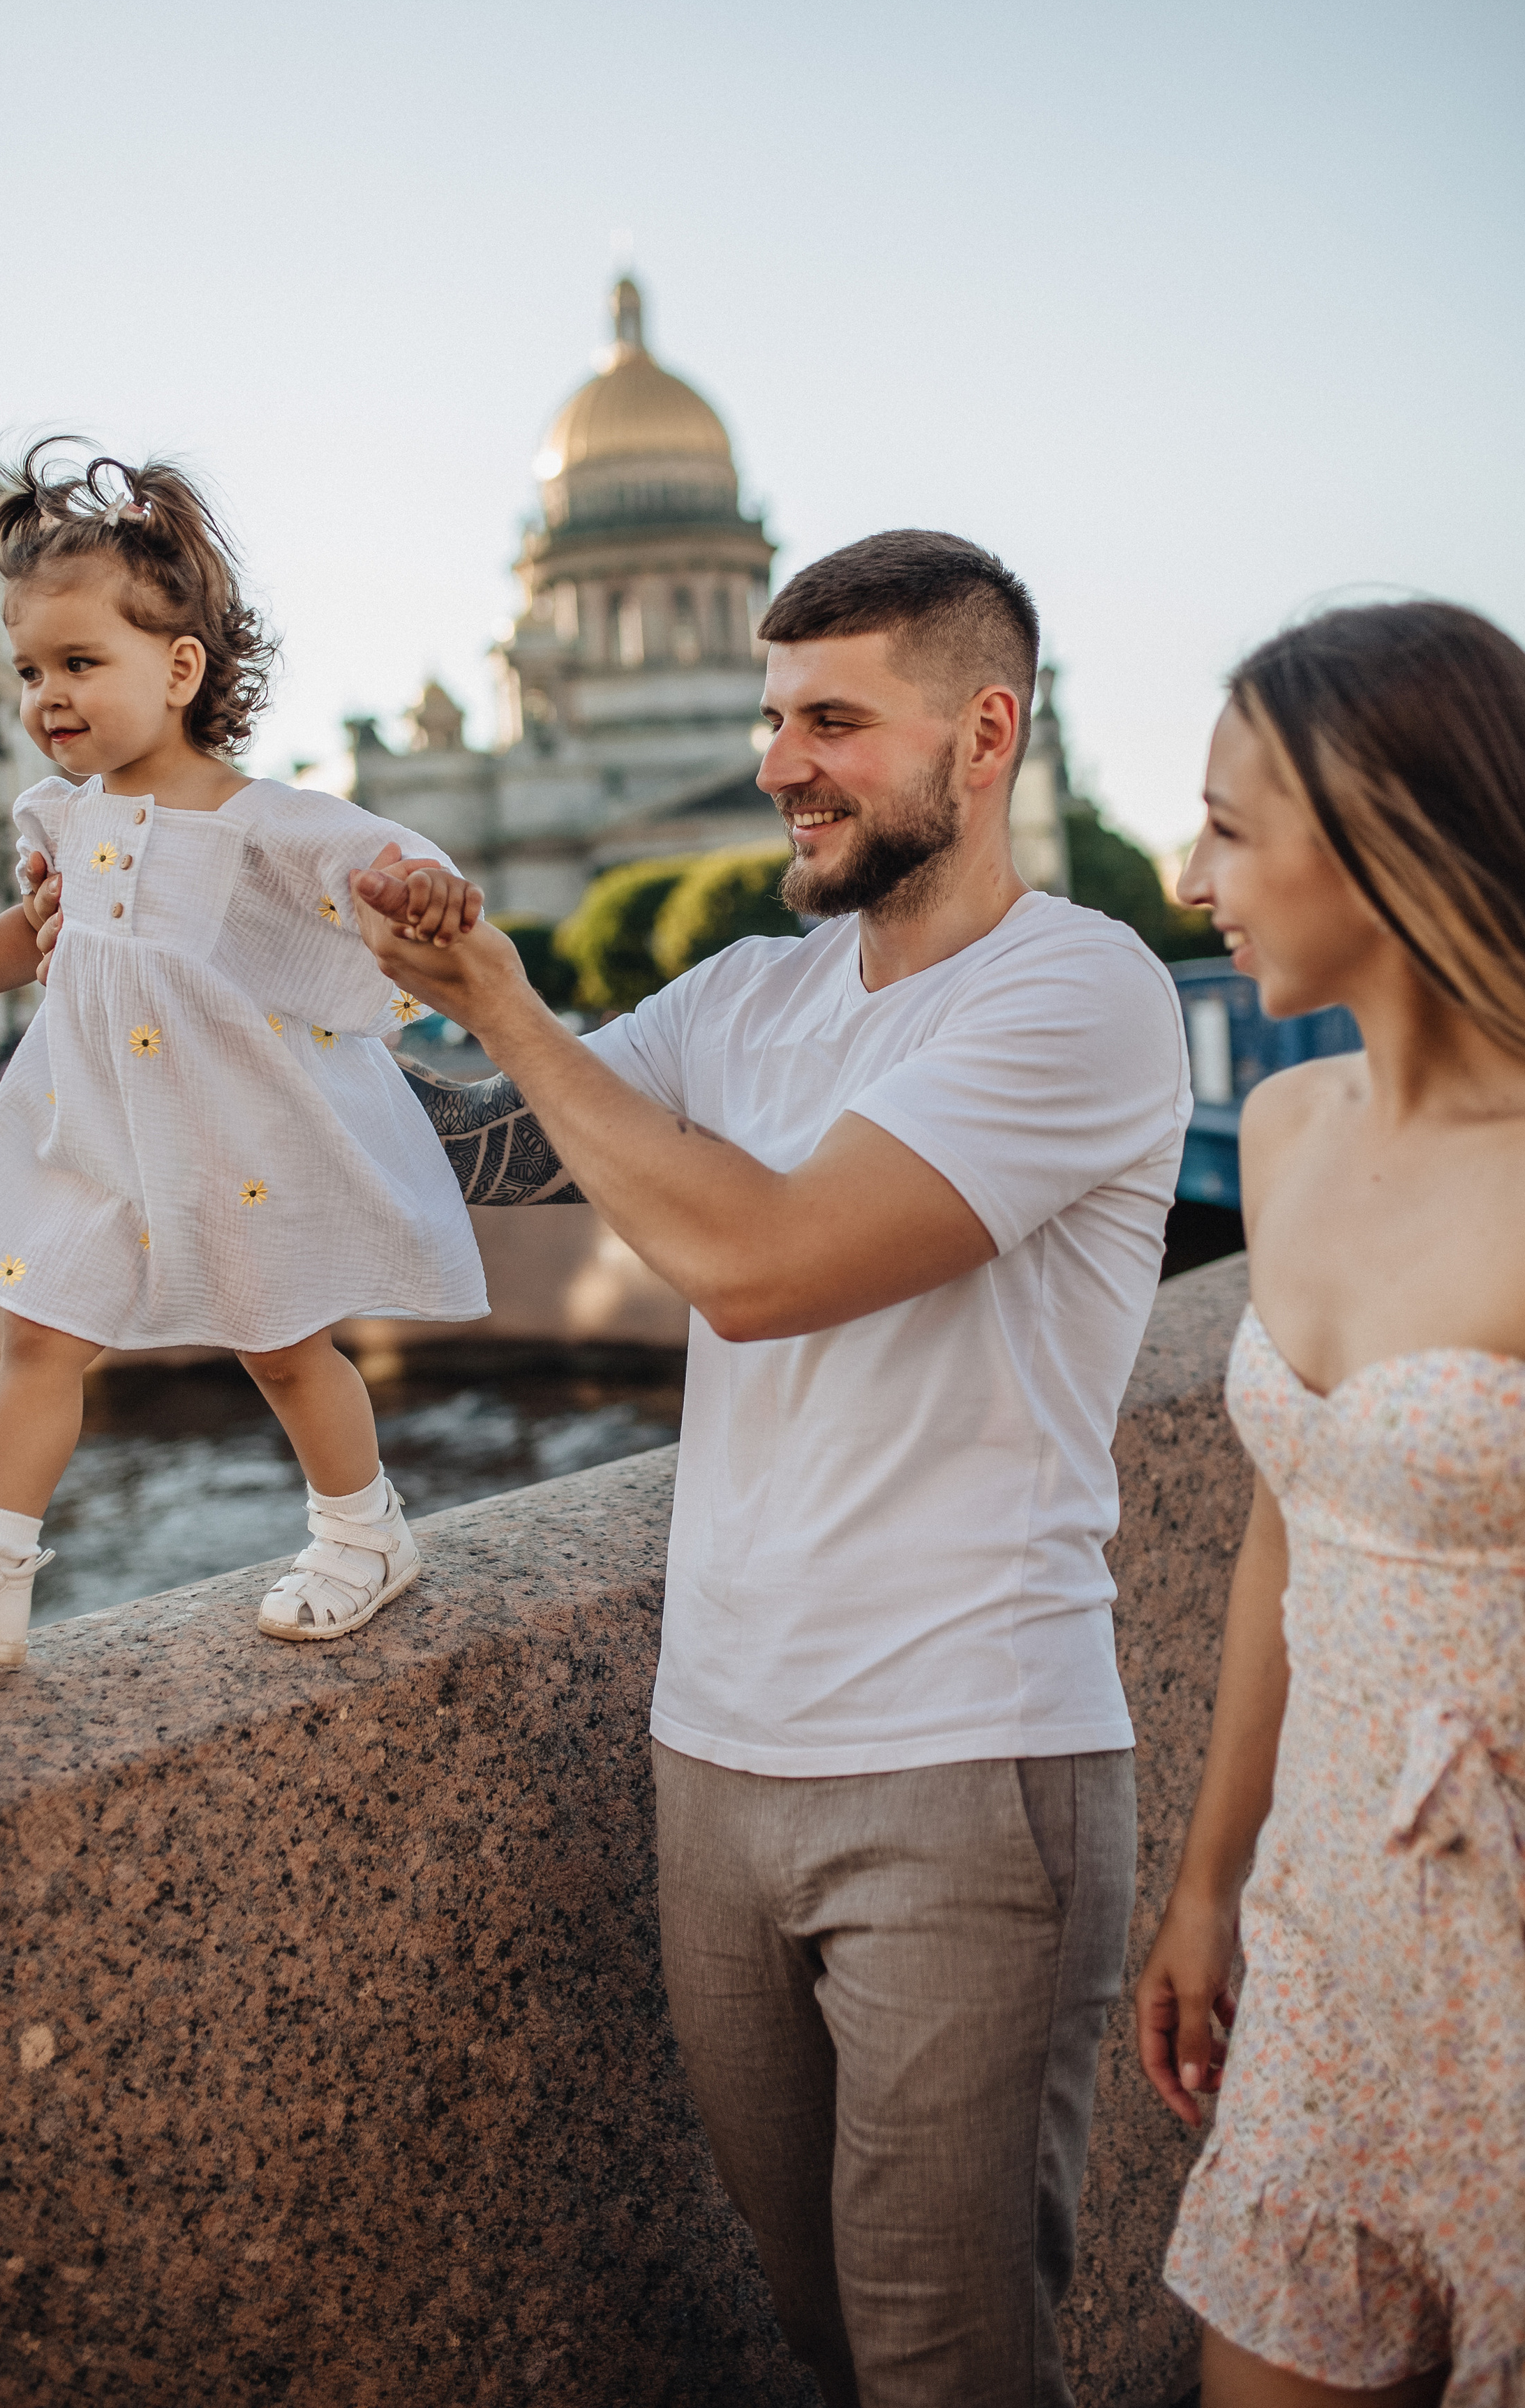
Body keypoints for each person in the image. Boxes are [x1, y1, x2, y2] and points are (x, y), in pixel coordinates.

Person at [332, 530, 1192, 2408]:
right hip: (717, 1756)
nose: (776, 762)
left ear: (985, 735)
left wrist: (504, 999)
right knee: (819, 2330)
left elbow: (767, 1262)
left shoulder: (1083, 993)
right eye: (765, 710)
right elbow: (484, 1154)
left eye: (831, 719)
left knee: (946, 2358)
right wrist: (214, 999)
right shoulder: (743, 998)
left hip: (967, 1766)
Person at [0, 446, 485, 1668]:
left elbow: (373, 862)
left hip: (229, 1131)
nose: (46, 696)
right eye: (29, 671)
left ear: (180, 670)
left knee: (285, 1348)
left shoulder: (256, 820)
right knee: (38, 1332)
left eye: (80, 664)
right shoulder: (62, 822)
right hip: (93, 1125)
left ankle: (364, 1531)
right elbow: (36, 933)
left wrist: (425, 889)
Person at [1133, 601, 1525, 2408]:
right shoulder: (1295, 1131)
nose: (1183, 872)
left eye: (1230, 826)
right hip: (1327, 1945)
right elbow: (1287, 1531)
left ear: (1384, 837)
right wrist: (1209, 1882)